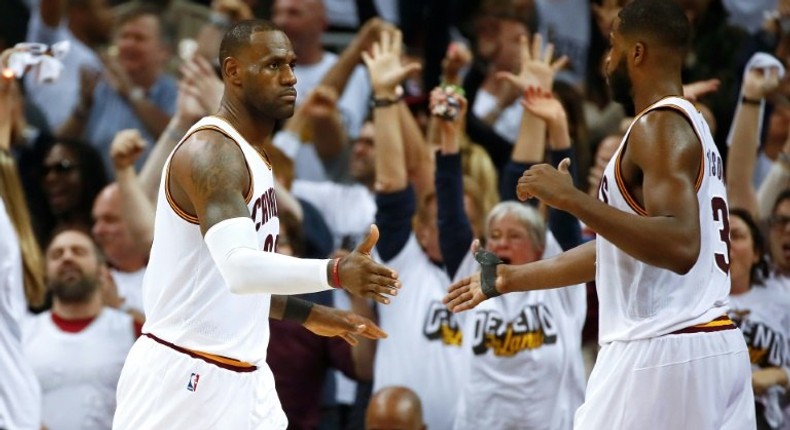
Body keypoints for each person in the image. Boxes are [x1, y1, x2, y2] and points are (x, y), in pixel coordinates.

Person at [444, 1, 755, 428]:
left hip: (664, 346)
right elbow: (616, 252)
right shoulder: (690, 126)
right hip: (707, 345)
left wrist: (572, 200)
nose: (606, 60)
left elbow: (680, 245)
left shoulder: (658, 125)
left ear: (638, 53)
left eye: (612, 46)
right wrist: (510, 279)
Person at [112, 19, 400, 429]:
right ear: (232, 73)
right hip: (184, 374)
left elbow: (222, 285)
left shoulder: (252, 156)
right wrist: (334, 272)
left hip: (246, 375)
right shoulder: (211, 151)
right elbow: (240, 268)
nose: (289, 78)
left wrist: (308, 313)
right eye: (272, 66)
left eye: (292, 65)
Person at [23, 229, 137, 430]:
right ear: (45, 274)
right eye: (57, 254)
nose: (67, 257)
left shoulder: (133, 331)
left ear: (102, 270)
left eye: (78, 252)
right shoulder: (21, 335)